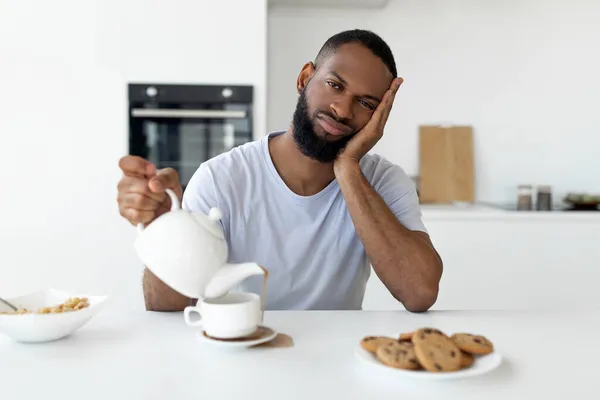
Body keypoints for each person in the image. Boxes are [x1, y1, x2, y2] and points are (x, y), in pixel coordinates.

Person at [117, 29, 443, 313]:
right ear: (304, 78)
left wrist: (347, 168)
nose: (342, 109)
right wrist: (165, 229)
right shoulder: (220, 178)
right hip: (234, 355)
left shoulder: (382, 181)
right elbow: (167, 308)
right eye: (334, 85)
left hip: (334, 364)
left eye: (366, 103)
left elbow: (419, 293)